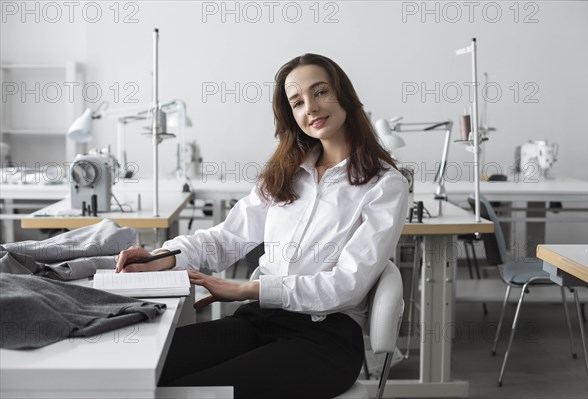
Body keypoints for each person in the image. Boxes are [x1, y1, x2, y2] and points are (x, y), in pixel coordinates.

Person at [115, 53, 409, 399]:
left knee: (183, 394)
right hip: (258, 320)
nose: (310, 108)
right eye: (297, 102)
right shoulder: (285, 173)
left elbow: (347, 286)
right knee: (140, 371)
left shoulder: (384, 184)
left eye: (320, 92)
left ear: (344, 95)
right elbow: (227, 237)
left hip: (324, 338)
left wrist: (248, 289)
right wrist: (162, 258)